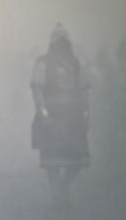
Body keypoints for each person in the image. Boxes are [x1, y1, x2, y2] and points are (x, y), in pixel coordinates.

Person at [31, 24, 90, 204]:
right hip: (53, 114)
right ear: (53, 43)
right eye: (59, 42)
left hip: (73, 115)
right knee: (51, 160)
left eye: (64, 42)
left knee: (77, 160)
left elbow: (84, 90)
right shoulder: (43, 62)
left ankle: (62, 187)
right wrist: (44, 113)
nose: (62, 45)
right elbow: (37, 90)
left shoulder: (76, 62)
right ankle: (57, 193)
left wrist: (87, 113)